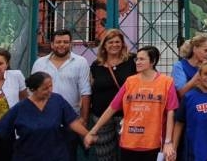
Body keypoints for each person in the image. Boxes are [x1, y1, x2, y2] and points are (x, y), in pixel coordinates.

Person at [0, 71, 92, 160]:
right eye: (45, 88)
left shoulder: (57, 101)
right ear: (33, 89)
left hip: (56, 155)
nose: (50, 90)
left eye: (51, 86)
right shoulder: (20, 108)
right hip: (28, 156)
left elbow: (72, 122)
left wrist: (86, 134)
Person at [87, 46, 177, 161]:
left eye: (142, 59)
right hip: (129, 142)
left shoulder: (166, 82)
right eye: (137, 59)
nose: (137, 62)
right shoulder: (130, 81)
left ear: (153, 61)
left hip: (153, 143)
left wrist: (168, 141)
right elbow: (112, 107)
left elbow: (170, 112)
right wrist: (93, 130)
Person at [31, 29, 91, 161]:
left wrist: (84, 120)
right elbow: (33, 92)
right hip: (43, 120)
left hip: (70, 121)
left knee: (68, 156)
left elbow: (85, 92)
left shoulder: (81, 62)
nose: (62, 45)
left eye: (65, 42)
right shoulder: (39, 63)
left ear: (71, 44)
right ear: (52, 44)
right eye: (58, 42)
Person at [89, 29, 136, 161]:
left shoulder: (132, 61)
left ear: (122, 44)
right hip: (101, 115)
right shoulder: (96, 65)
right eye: (110, 42)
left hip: (126, 115)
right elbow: (92, 87)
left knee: (128, 153)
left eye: (117, 42)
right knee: (104, 155)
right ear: (104, 45)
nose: (114, 45)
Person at [173, 33, 207, 98]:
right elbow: (181, 92)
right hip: (187, 106)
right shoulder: (179, 66)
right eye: (205, 50)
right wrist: (200, 71)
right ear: (195, 49)